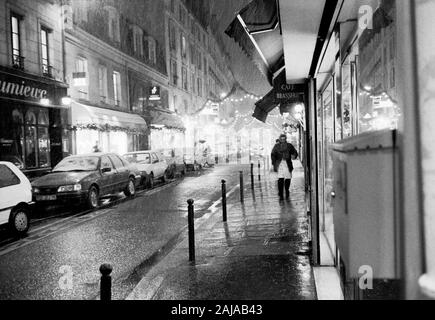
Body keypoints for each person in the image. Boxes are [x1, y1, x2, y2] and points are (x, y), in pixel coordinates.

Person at [271, 134, 298, 200]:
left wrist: (294, 155)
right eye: (281, 139)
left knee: (288, 178)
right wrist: (274, 163)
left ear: (285, 139)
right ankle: (280, 193)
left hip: (287, 163)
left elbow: (294, 152)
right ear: (280, 139)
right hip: (279, 164)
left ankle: (287, 190)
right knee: (280, 179)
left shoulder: (289, 146)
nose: (283, 140)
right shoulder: (276, 146)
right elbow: (273, 154)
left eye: (284, 139)